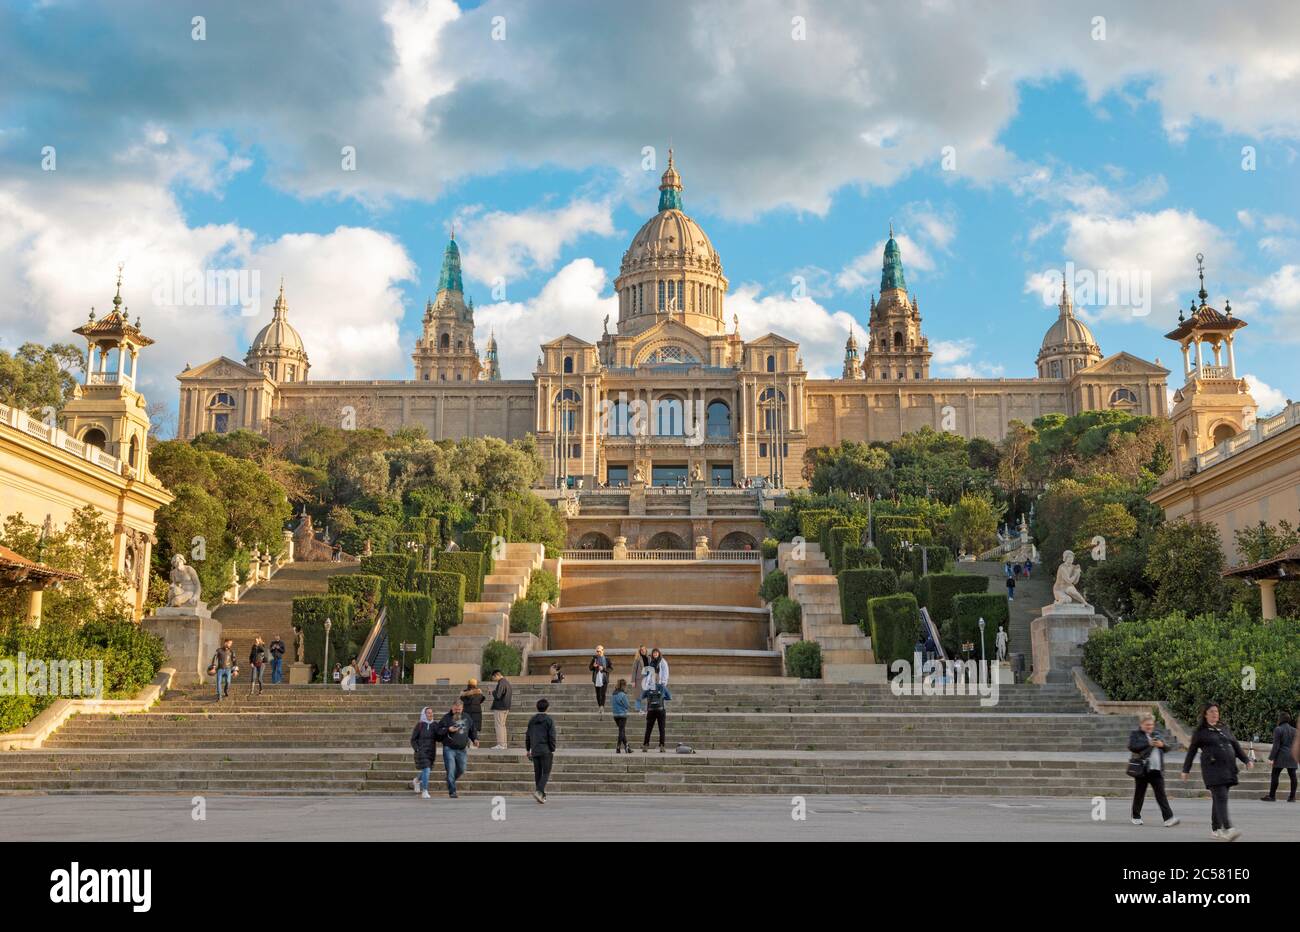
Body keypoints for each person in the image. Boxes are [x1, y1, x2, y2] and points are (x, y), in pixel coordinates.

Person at [1181, 702, 1253, 840]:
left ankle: (1216, 829)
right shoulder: (1200, 732)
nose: (1215, 714)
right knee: (1221, 798)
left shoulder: (1223, 728)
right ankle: (1228, 828)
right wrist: (1186, 769)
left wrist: (1246, 760)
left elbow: (1235, 745)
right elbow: (1191, 752)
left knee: (1218, 799)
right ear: (1205, 714)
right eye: (1212, 711)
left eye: (1217, 711)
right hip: (1212, 770)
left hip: (1228, 769)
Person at [1127, 713, 1179, 827]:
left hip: (1156, 769)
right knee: (1139, 794)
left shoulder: (1157, 734)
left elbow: (1168, 747)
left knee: (1161, 795)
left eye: (1151, 724)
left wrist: (1162, 745)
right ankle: (1136, 816)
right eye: (1147, 725)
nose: (1149, 727)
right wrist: (1148, 743)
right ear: (1141, 724)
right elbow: (1132, 746)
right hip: (1143, 769)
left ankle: (1168, 818)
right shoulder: (1135, 734)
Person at [434, 699, 479, 798]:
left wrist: (475, 739)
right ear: (452, 707)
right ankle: (452, 791)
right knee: (450, 770)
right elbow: (438, 731)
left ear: (462, 708)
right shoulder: (446, 718)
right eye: (456, 709)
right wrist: (448, 729)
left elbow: (472, 730)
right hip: (449, 749)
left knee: (462, 769)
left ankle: (450, 780)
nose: (458, 711)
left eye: (459, 709)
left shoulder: (467, 717)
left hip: (462, 749)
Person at [525, 698, 557, 803]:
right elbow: (552, 736)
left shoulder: (532, 720)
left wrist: (528, 749)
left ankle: (541, 796)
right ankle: (539, 791)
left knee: (538, 773)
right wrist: (552, 748)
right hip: (545, 749)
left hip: (535, 749)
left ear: (537, 707)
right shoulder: (549, 720)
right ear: (547, 708)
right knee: (546, 772)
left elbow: (528, 736)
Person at [1261, 711, 1298, 802]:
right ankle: (1292, 797)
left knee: (1275, 775)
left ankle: (1272, 796)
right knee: (1293, 776)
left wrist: (1271, 758)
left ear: (1280, 719)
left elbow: (1276, 746)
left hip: (1281, 755)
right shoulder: (1295, 730)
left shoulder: (1278, 729)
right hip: (1292, 755)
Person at [409, 707, 438, 799]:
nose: (431, 714)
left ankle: (417, 780)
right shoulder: (420, 725)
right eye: (428, 713)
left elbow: (439, 736)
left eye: (431, 713)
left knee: (427, 770)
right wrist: (417, 749)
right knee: (427, 769)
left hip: (431, 752)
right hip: (421, 752)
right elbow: (413, 739)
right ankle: (425, 791)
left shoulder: (435, 725)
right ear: (424, 714)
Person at [642, 668, 667, 752]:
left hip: (651, 710)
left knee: (648, 728)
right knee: (661, 728)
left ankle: (646, 745)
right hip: (660, 709)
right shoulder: (662, 687)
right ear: (658, 678)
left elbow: (642, 696)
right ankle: (662, 746)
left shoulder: (648, 687)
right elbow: (669, 696)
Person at [489, 670, 512, 750]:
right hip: (505, 707)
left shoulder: (501, 682)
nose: (493, 679)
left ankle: (501, 745)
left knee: (499, 726)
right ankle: (503, 744)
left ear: (497, 675)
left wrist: (492, 691)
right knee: (502, 726)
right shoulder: (507, 682)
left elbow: (498, 696)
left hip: (500, 707)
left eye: (493, 677)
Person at [589, 645, 611, 713]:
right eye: (597, 651)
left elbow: (611, 668)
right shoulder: (594, 659)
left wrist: (603, 668)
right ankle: (600, 706)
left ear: (603, 651)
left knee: (603, 693)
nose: (598, 652)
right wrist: (593, 666)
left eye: (599, 651)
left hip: (604, 678)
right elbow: (590, 668)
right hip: (596, 677)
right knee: (598, 693)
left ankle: (602, 706)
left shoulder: (607, 659)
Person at [611, 679, 631, 753]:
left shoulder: (614, 694)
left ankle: (627, 747)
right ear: (623, 685)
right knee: (621, 731)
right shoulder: (623, 694)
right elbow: (627, 705)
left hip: (615, 715)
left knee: (622, 731)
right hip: (622, 715)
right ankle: (618, 747)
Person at [632, 646, 651, 712]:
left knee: (647, 694)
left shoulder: (649, 658)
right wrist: (633, 681)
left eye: (644, 649)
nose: (643, 651)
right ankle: (638, 708)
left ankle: (647, 709)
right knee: (638, 694)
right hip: (639, 678)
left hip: (647, 677)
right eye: (641, 650)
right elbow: (634, 670)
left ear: (646, 650)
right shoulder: (637, 659)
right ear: (639, 651)